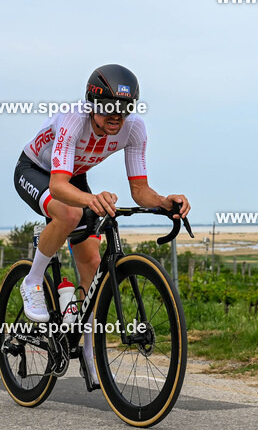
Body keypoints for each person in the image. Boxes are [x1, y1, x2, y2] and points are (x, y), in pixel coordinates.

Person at [12, 64, 190, 381]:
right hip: (37, 170)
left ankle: (90, 352)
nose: (116, 116)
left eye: (124, 109)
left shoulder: (134, 129)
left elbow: (140, 190)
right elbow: (57, 187)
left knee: (94, 264)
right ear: (92, 103)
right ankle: (33, 280)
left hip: (73, 177)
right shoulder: (72, 118)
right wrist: (89, 201)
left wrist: (164, 202)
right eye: (109, 107)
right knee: (69, 213)